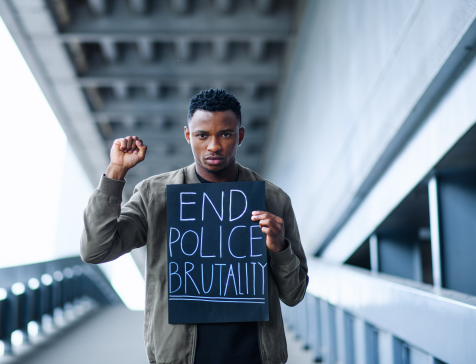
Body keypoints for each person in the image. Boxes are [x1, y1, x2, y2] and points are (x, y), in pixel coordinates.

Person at [81, 89, 308, 364]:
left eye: (225, 134)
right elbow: (94, 251)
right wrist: (115, 173)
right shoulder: (155, 195)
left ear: (241, 136)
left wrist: (279, 248)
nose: (213, 146)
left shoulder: (273, 199)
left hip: (255, 356)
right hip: (180, 356)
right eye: (202, 135)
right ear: (188, 135)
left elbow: (295, 294)